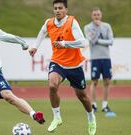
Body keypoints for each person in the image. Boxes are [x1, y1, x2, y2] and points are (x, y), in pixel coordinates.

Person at [28, 0, 96, 134]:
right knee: (52, 85)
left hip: (74, 65)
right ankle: (57, 117)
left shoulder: (72, 22)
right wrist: (35, 47)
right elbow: (42, 33)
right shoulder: (49, 22)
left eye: (60, 8)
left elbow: (83, 42)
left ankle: (91, 117)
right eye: (55, 8)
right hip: (58, 62)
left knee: (82, 96)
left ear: (66, 10)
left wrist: (65, 44)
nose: (57, 10)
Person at [84, 7, 114, 113]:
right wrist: (97, 29)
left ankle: (105, 105)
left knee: (107, 81)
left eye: (98, 15)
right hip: (95, 58)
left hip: (106, 58)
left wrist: (99, 39)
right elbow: (92, 40)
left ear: (101, 15)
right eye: (94, 15)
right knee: (94, 81)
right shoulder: (87, 27)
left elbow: (111, 41)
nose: (96, 17)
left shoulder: (106, 26)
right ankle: (93, 104)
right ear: (91, 16)